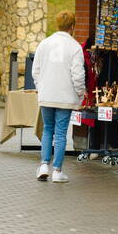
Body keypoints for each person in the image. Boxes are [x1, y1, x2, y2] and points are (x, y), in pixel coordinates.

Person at [31, 10, 86, 183]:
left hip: (47, 94)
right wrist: (80, 92)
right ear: (72, 26)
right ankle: (57, 170)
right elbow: (78, 75)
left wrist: (41, 87)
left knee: (48, 129)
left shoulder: (44, 43)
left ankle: (44, 165)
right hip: (65, 96)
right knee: (61, 133)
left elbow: (36, 71)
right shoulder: (75, 47)